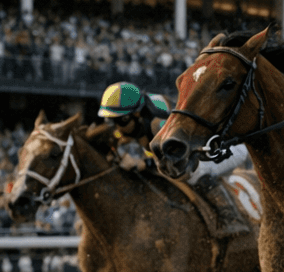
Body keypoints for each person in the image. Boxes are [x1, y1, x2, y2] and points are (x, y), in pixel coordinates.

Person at [99, 81, 250, 236]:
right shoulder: (144, 114)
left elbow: (178, 161)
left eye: (120, 120)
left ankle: (232, 219)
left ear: (136, 114)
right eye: (111, 120)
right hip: (200, 147)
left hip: (228, 148)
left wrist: (143, 163)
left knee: (194, 171)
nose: (116, 127)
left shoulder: (158, 124)